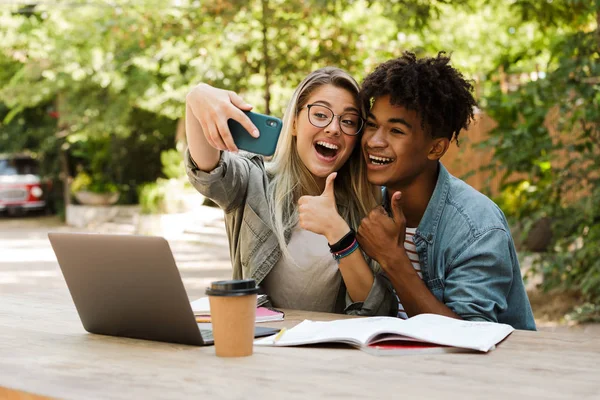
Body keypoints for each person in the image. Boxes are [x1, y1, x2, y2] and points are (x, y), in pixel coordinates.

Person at [184, 67, 396, 315]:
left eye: (348, 121)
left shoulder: (369, 205)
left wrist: (338, 233)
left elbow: (377, 312)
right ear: (294, 123)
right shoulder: (254, 182)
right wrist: (197, 96)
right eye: (320, 114)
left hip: (332, 351)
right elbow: (207, 171)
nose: (334, 128)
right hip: (261, 345)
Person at [356, 51, 536, 330]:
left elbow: (469, 337)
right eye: (372, 125)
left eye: (396, 131)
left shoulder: (477, 226)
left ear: (435, 148)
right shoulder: (364, 205)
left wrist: (393, 259)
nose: (375, 141)